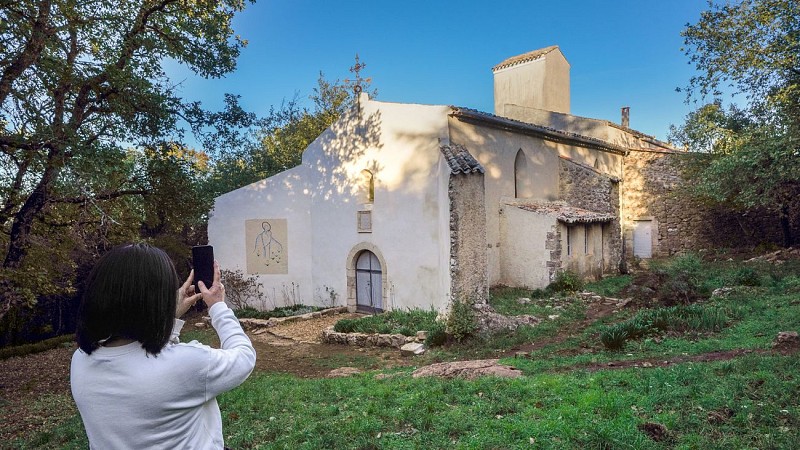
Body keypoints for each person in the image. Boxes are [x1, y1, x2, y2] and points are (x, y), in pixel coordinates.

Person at [70, 243, 256, 449]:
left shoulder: (80, 360)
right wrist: (218, 307)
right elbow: (244, 357)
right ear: (158, 299)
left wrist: (168, 317)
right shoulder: (189, 363)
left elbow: (145, 355)